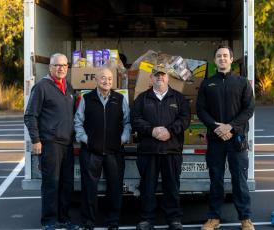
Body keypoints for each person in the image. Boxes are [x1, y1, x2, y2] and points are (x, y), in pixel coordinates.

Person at [196, 45, 255, 230]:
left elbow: (249, 109)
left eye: (225, 56)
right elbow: (201, 110)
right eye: (218, 56)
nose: (222, 59)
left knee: (240, 180)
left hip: (236, 139)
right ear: (215, 61)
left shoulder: (242, 82)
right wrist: (216, 127)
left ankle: (245, 218)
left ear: (231, 59)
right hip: (215, 140)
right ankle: (214, 218)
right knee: (216, 180)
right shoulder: (207, 83)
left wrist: (231, 127)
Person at [132, 64, 191, 230]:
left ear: (168, 77)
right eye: (156, 75)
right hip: (148, 150)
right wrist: (151, 130)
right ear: (151, 78)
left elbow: (185, 119)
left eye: (163, 75)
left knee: (172, 186)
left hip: (171, 150)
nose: (160, 77)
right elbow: (135, 119)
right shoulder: (142, 98)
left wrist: (170, 131)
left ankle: (174, 219)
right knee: (147, 187)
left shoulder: (178, 98)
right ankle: (146, 219)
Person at [24, 53, 79, 230]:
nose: (61, 68)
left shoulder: (68, 87)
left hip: (67, 144)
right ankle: (49, 221)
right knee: (51, 184)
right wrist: (36, 140)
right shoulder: (41, 87)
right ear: (50, 67)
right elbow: (30, 115)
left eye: (64, 65)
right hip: (50, 144)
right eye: (57, 65)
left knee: (67, 184)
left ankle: (64, 219)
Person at [74, 67, 131, 230]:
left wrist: (122, 139)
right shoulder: (87, 98)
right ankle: (88, 222)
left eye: (110, 79)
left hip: (115, 152)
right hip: (91, 152)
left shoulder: (120, 99)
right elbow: (77, 122)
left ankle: (113, 221)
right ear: (97, 80)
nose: (107, 81)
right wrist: (86, 140)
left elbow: (127, 123)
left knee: (115, 188)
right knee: (89, 189)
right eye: (103, 78)